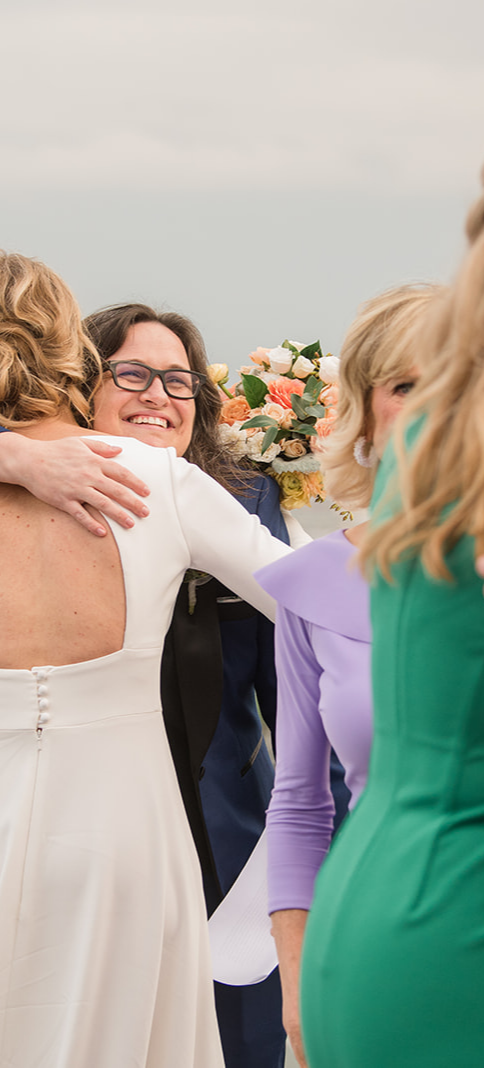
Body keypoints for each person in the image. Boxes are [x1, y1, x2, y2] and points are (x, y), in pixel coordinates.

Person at [0, 303, 313, 1066]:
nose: (158, 395)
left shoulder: (237, 499)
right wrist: (15, 457)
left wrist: (310, 832)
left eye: (179, 381)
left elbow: (298, 673)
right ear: (80, 382)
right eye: (132, 374)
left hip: (213, 832)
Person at [298, 186, 484, 1067]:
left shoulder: (429, 465)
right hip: (449, 922)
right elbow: (296, 799)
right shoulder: (456, 473)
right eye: (393, 386)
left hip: (390, 901)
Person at [252, 283, 439, 1067]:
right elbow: (299, 806)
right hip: (371, 948)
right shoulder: (315, 583)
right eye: (405, 384)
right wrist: (297, 994)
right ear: (366, 414)